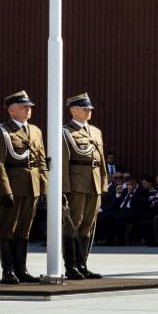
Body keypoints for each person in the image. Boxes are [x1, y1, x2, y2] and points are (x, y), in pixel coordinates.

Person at [0, 89, 45, 283]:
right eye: (23, 107)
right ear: (11, 110)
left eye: (29, 106)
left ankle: (22, 269)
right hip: (13, 186)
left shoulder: (35, 131)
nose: (28, 109)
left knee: (24, 230)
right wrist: (4, 191)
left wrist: (44, 188)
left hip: (32, 187)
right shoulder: (1, 131)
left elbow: (41, 161)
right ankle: (8, 270)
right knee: (8, 229)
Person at [59, 92, 109, 279]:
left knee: (88, 226)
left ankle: (82, 264)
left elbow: (100, 161)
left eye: (90, 108)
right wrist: (64, 189)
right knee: (72, 224)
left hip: (94, 183)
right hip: (77, 185)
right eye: (84, 108)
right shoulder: (65, 132)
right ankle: (71, 266)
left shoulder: (95, 132)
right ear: (73, 110)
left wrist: (103, 184)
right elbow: (63, 163)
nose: (89, 111)